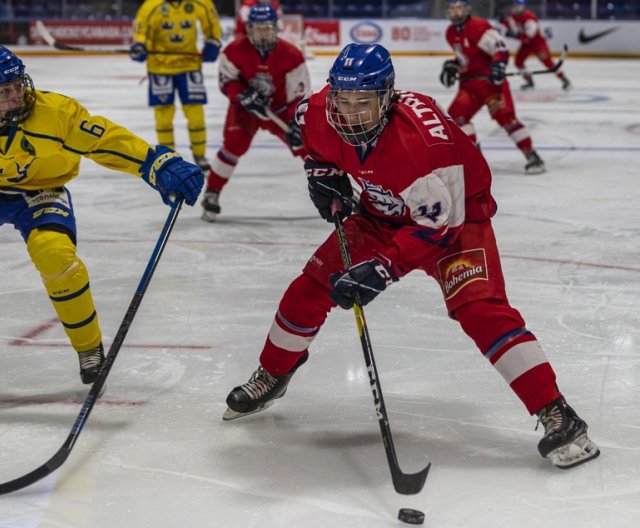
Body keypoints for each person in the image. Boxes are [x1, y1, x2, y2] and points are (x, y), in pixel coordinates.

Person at [222, 43, 600, 469]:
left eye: (362, 102)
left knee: (480, 309)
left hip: (455, 224)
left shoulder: (423, 146)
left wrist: (383, 270)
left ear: (387, 98)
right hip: (379, 214)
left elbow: (439, 225)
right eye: (342, 99)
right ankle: (273, 374)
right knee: (309, 287)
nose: (350, 113)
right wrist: (321, 171)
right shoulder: (317, 111)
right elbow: (312, 141)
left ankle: (556, 411)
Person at [0, 46, 203, 385]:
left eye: (19, 86)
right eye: (6, 92)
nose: (18, 97)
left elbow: (104, 139)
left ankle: (88, 347)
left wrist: (155, 163)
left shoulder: (54, 113)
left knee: (55, 255)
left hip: (40, 191)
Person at [201, 3, 310, 222]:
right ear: (249, 28)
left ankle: (337, 189)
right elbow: (226, 81)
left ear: (276, 28)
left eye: (267, 27)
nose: (263, 32)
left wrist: (297, 123)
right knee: (234, 144)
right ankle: (212, 192)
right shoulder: (233, 51)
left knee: (306, 145)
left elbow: (300, 95)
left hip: (280, 110)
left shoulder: (292, 55)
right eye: (258, 28)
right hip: (245, 109)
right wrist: (242, 94)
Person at [440, 0, 545, 175]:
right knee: (456, 118)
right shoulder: (450, 32)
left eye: (459, 8)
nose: (456, 12)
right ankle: (475, 157)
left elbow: (501, 51)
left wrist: (497, 67)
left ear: (466, 9)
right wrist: (453, 65)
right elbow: (467, 58)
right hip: (469, 86)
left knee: (506, 119)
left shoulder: (479, 27)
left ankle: (532, 155)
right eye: (452, 8)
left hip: (491, 85)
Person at [130, 0, 222, 172]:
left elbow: (211, 22)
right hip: (160, 68)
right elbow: (141, 30)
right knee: (163, 118)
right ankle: (168, 158)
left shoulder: (198, 3)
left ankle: (200, 155)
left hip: (189, 66)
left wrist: (213, 41)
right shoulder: (152, 5)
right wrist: (140, 45)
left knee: (196, 115)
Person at [499, 0, 571, 91]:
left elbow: (529, 36)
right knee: (518, 62)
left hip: (537, 44)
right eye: (515, 5)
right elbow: (510, 26)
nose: (515, 7)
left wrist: (514, 35)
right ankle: (529, 81)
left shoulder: (530, 18)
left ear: (523, 7)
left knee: (548, 63)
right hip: (526, 45)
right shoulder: (512, 16)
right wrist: (502, 21)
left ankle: (564, 79)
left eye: (518, 5)